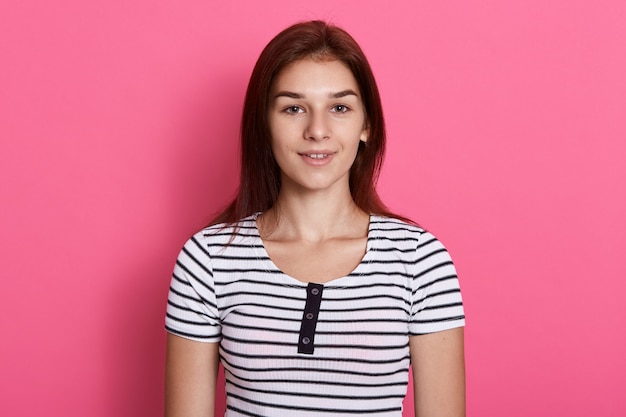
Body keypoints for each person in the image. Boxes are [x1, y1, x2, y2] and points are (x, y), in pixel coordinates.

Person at [165, 20, 465, 417]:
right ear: (264, 125)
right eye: (293, 108)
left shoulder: (419, 260)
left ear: (367, 125)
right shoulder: (208, 260)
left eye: (339, 107)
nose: (317, 130)